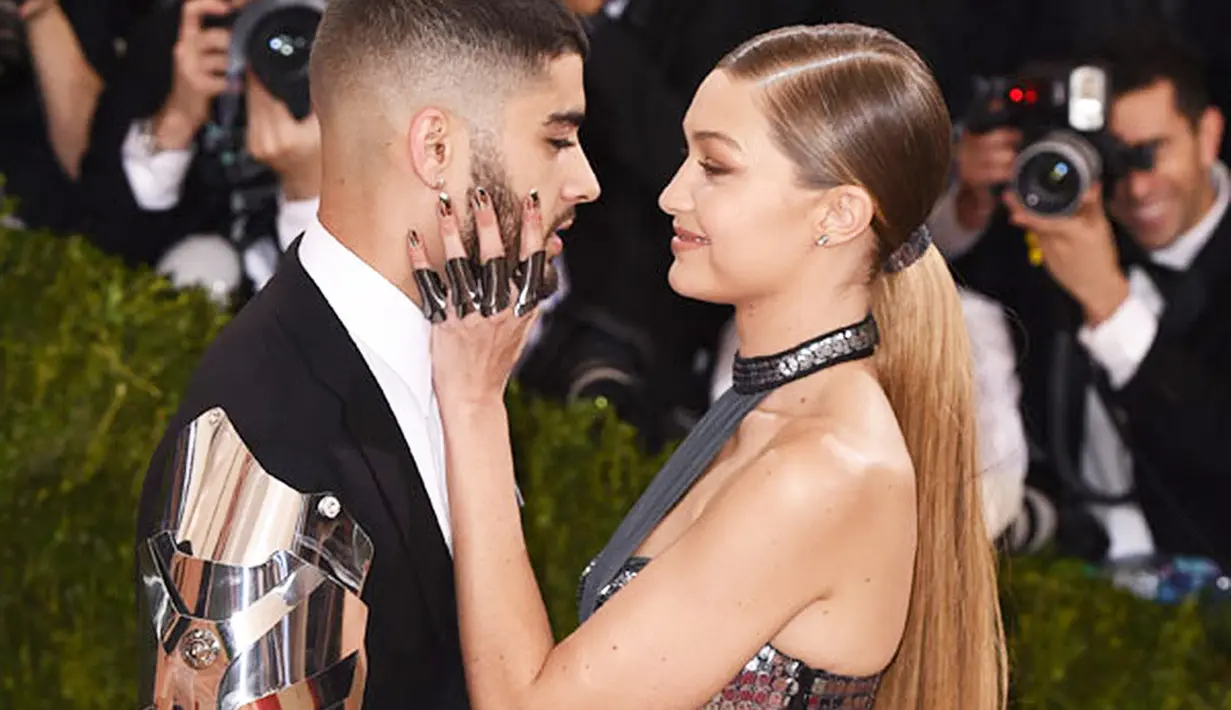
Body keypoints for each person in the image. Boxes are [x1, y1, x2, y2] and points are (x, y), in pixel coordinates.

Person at [413, 23, 1006, 710]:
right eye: (685, 157)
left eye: (715, 167)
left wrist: (474, 401)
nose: (672, 193)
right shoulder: (768, 414)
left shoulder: (820, 469)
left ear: (839, 213)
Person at [134, 0, 598, 707]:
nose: (584, 182)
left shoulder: (453, 360)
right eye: (558, 138)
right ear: (436, 149)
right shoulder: (266, 451)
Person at [929, 27, 1231, 572]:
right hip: (1065, 565)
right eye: (1113, 158)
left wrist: (1111, 305)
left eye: (1150, 154)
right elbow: (932, 295)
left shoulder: (1090, 254)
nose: (1136, 188)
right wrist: (968, 199)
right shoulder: (1064, 224)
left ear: (1208, 135)